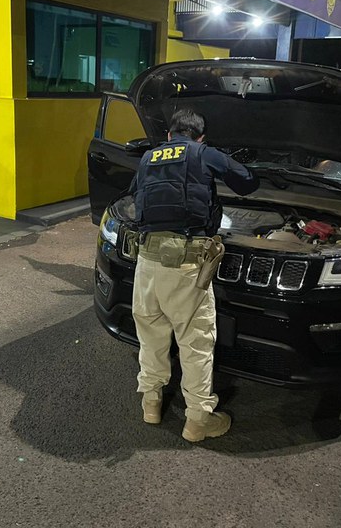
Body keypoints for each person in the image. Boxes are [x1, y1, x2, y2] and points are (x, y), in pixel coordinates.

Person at [129, 108, 259, 442]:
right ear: (200, 137)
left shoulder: (148, 158)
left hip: (146, 262)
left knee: (151, 338)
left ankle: (151, 404)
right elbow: (247, 183)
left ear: (169, 135)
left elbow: (136, 194)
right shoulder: (203, 153)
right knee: (195, 342)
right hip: (185, 265)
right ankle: (198, 421)